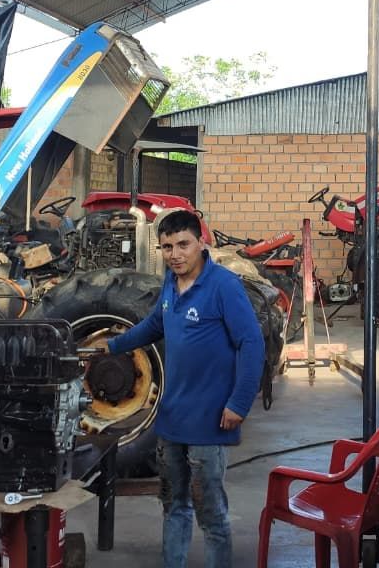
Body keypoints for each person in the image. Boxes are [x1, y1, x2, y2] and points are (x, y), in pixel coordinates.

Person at [105, 209, 264, 568]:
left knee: (211, 514)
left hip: (211, 421)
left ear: (200, 242)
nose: (175, 254)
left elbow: (251, 343)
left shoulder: (224, 285)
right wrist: (112, 346)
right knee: (173, 506)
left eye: (183, 245)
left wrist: (239, 403)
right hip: (172, 418)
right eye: (166, 247)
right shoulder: (169, 284)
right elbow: (154, 325)